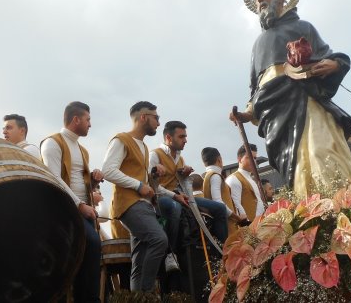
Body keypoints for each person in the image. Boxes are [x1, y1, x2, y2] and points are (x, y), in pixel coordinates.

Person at [231, 0, 351, 199]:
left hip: (306, 100)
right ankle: (308, 206)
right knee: (295, 163)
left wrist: (333, 64)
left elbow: (331, 57)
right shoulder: (258, 44)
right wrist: (247, 113)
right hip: (275, 113)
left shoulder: (303, 27)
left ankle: (338, 202)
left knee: (320, 149)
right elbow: (256, 88)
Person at [100, 101, 175, 292]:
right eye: (156, 117)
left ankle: (138, 297)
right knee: (159, 240)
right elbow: (107, 171)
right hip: (130, 204)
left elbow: (140, 179)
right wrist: (139, 185)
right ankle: (147, 295)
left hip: (143, 205)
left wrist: (152, 177)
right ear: (143, 117)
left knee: (139, 259)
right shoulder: (121, 139)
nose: (158, 123)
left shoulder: (143, 147)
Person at [40, 101, 102, 302]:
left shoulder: (83, 150)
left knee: (90, 255)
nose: (90, 124)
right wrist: (79, 205)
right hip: (64, 210)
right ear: (76, 119)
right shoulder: (52, 143)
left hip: (84, 210)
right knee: (91, 244)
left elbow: (79, 181)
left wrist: (92, 180)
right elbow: (54, 178)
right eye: (88, 119)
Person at [149, 121, 228, 263]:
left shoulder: (180, 158)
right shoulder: (154, 155)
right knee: (175, 208)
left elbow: (182, 184)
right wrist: (175, 196)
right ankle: (170, 254)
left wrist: (184, 175)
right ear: (168, 137)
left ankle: (222, 253)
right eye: (181, 136)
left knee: (219, 208)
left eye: (185, 136)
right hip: (161, 197)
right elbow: (152, 185)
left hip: (180, 195)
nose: (185, 140)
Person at [201, 147, 246, 234]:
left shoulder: (207, 176)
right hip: (225, 224)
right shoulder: (215, 176)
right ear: (219, 159)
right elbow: (218, 202)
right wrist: (236, 217)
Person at [225, 144, 264, 221]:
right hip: (248, 227)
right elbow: (236, 206)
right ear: (239, 159)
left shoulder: (251, 179)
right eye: (249, 157)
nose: (254, 161)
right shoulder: (234, 179)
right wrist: (247, 224)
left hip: (260, 223)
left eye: (255, 158)